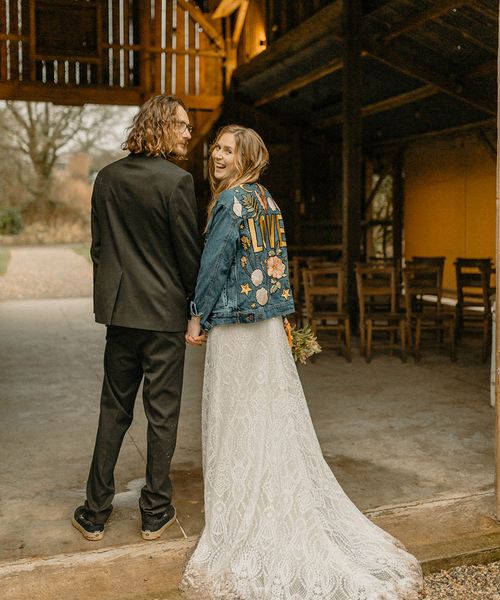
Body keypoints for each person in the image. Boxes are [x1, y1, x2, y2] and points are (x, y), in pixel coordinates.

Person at [179, 124, 424, 599]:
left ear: (246, 157)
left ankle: (244, 515)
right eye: (216, 150)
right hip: (267, 326)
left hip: (236, 326)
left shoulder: (231, 203)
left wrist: (196, 316)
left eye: (228, 151)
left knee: (234, 418)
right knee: (268, 417)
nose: (218, 156)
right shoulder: (268, 201)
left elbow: (213, 266)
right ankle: (271, 498)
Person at [72, 95, 201, 542]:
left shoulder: (106, 178)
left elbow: (99, 248)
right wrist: (195, 308)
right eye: (183, 125)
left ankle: (94, 512)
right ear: (163, 126)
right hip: (164, 316)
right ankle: (155, 512)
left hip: (121, 315)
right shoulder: (178, 182)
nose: (189, 133)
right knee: (162, 415)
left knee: (114, 411)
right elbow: (188, 255)